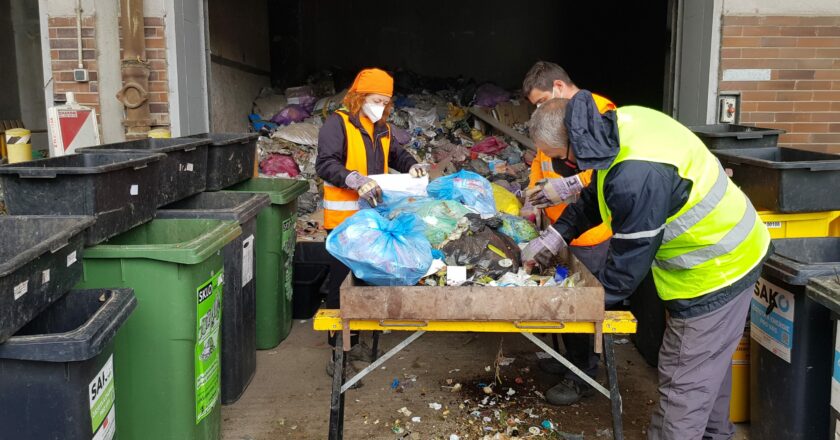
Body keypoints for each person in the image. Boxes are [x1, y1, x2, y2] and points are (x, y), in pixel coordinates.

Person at [523, 93, 771, 440]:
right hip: (730, 252)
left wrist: (574, 304)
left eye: (559, 159)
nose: (565, 167)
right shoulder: (616, 127)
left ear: (574, 145)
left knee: (683, 381)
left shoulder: (637, 176)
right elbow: (597, 196)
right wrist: (556, 236)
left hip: (716, 268)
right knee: (705, 369)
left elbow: (624, 273)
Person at [316, 67, 428, 385]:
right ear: (359, 97)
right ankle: (339, 354)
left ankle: (358, 342)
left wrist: (413, 166)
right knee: (342, 288)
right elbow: (325, 163)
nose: (380, 106)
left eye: (384, 101)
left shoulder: (381, 128)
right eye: (375, 99)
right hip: (344, 223)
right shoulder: (336, 124)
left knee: (365, 283)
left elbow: (396, 153)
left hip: (372, 221)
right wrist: (356, 180)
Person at [520, 61, 616, 405]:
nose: (540, 109)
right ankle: (568, 362)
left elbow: (607, 169)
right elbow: (540, 162)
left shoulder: (598, 112)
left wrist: (568, 186)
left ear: (559, 87)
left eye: (542, 100)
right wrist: (533, 199)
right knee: (562, 299)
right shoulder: (551, 121)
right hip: (559, 227)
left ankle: (583, 376)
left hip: (588, 232)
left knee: (582, 305)